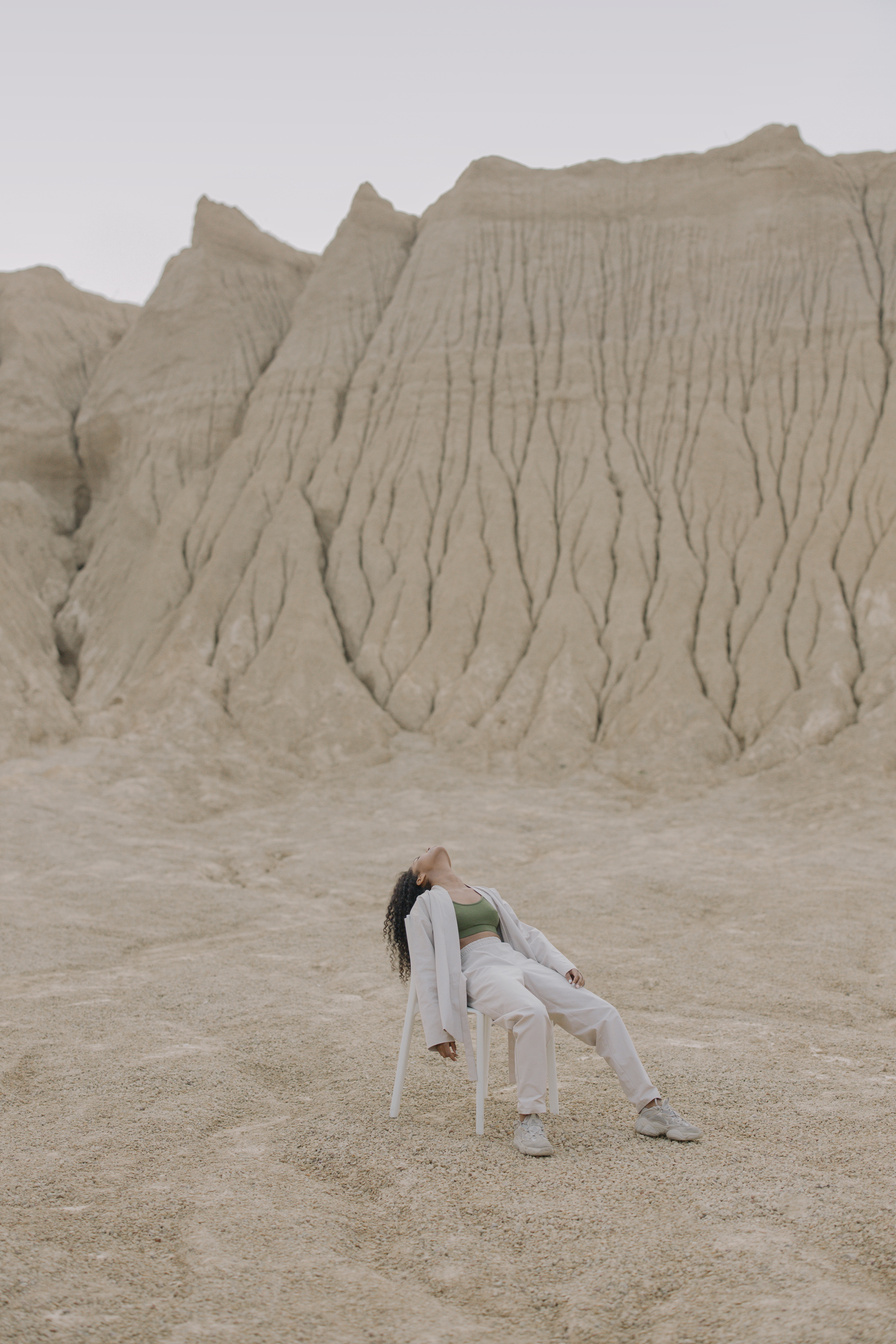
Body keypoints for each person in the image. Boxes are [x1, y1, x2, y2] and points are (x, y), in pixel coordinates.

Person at [384, 845, 701, 1156]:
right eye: (417, 857)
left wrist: (563, 964)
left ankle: (650, 1107)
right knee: (531, 1013)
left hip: (517, 961)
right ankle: (528, 1119)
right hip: (478, 969)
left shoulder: (486, 893)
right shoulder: (425, 905)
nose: (425, 849)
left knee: (603, 1013)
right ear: (422, 878)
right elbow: (425, 970)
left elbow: (526, 933)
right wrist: (439, 1029)